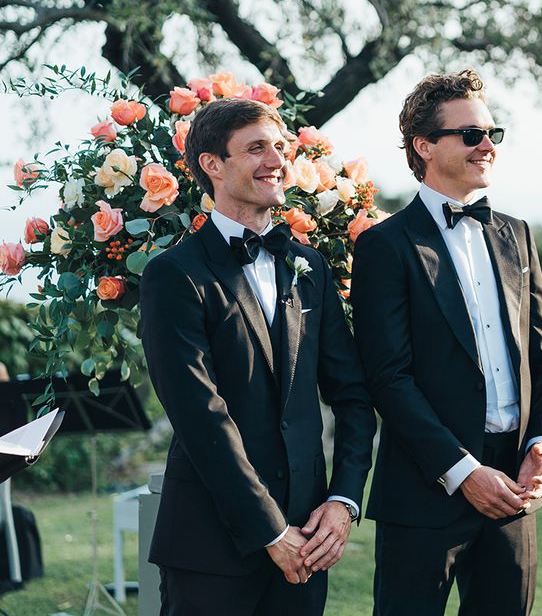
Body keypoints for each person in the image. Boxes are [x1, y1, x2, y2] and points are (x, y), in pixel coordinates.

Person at [140, 98, 375, 615]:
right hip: (209, 544)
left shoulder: (309, 265)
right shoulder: (174, 275)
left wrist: (342, 503)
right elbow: (201, 416)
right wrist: (269, 529)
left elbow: (354, 396)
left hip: (309, 539)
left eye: (280, 146)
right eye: (256, 148)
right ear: (212, 165)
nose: (276, 159)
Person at [351, 69, 542, 616]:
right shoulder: (384, 245)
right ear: (424, 146)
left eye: (494, 132)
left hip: (515, 482)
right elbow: (388, 377)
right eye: (471, 134)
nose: (487, 145)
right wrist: (462, 471)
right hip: (428, 487)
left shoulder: (517, 234)